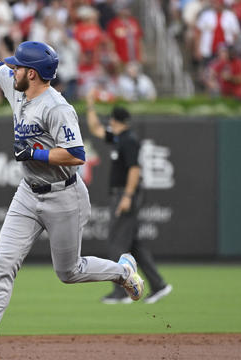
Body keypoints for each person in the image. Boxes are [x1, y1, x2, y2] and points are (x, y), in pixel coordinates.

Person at [0, 20, 145, 360]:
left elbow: (77, 155)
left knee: (69, 272)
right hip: (28, 194)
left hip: (65, 195)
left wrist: (37, 153)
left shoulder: (57, 107)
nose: (11, 68)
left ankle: (123, 271)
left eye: (18, 65)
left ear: (31, 73)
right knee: (2, 264)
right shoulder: (16, 85)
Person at [85, 91, 172, 305]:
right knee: (133, 245)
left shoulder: (129, 141)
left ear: (115, 120)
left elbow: (134, 170)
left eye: (111, 120)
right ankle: (159, 284)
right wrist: (90, 106)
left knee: (117, 243)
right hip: (123, 194)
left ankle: (121, 291)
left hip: (125, 194)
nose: (109, 123)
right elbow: (95, 129)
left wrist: (127, 196)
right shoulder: (118, 137)